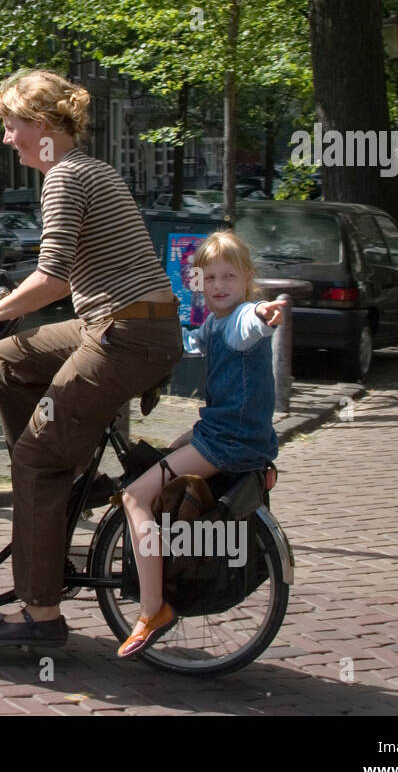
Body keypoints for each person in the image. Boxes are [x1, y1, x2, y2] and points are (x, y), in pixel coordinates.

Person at [0, 69, 183, 648]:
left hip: (124, 333)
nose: (7, 139)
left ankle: (41, 618)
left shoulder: (64, 178)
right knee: (8, 358)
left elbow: (54, 276)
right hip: (128, 327)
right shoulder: (93, 169)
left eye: (10, 126)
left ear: (38, 126)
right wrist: (4, 317)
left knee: (34, 460)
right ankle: (62, 478)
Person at [117, 230, 287, 658]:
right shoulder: (213, 322)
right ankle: (174, 543)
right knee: (164, 457)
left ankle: (152, 608)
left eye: (228, 277)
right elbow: (190, 347)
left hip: (228, 440)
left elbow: (253, 326)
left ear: (248, 279)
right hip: (223, 430)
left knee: (134, 496)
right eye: (209, 278)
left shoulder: (243, 317)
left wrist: (266, 314)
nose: (218, 286)